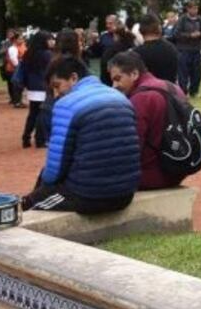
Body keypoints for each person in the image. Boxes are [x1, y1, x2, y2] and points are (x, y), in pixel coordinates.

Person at [22, 57, 140, 213]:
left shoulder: (66, 105)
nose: (57, 94)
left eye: (57, 86)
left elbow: (54, 170)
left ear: (73, 78)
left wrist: (40, 190)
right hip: (126, 194)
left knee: (28, 205)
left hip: (89, 196)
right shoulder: (121, 98)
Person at [108, 51, 188, 190]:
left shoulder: (141, 99)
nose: (114, 86)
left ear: (134, 74)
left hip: (150, 175)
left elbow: (132, 147)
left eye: (118, 78)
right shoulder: (172, 87)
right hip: (178, 167)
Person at [15, 31, 52, 148]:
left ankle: (26, 137)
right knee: (42, 114)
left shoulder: (28, 54)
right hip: (43, 87)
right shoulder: (47, 54)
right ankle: (40, 139)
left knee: (33, 113)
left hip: (32, 87)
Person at [132, 13, 179, 84]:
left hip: (146, 93)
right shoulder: (172, 48)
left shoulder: (135, 54)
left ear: (140, 30)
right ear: (159, 28)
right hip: (169, 91)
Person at [173, 1, 201, 97]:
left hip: (196, 49)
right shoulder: (182, 19)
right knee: (183, 73)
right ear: (188, 9)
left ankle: (194, 91)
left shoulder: (199, 19)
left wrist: (200, 34)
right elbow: (176, 34)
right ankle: (183, 92)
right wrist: (190, 35)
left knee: (197, 72)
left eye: (196, 8)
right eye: (193, 8)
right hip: (184, 50)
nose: (195, 10)